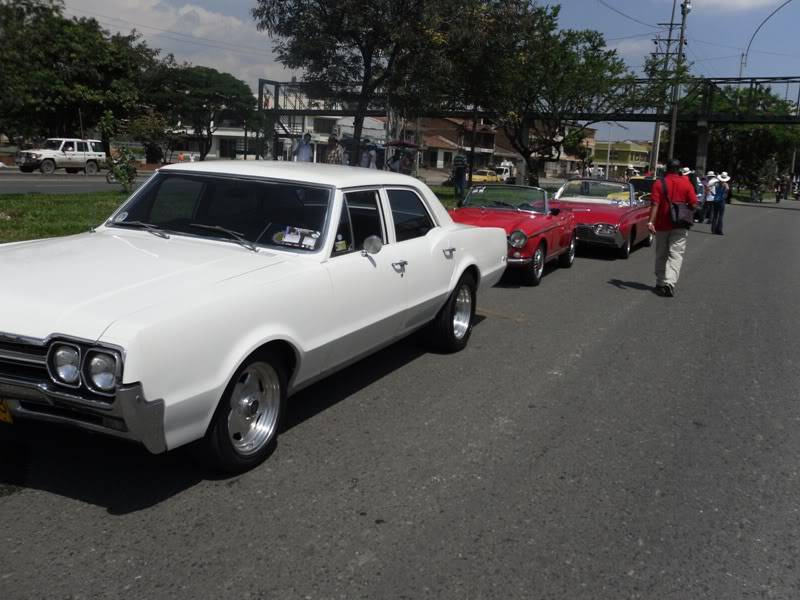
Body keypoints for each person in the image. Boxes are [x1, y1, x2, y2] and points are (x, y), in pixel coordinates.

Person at [647, 158, 698, 297]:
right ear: (679, 169)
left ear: (666, 169)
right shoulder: (686, 183)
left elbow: (655, 204)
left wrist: (651, 222)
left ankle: (660, 282)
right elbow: (694, 204)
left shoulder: (659, 183)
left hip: (662, 225)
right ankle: (670, 282)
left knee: (661, 254)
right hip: (680, 224)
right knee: (676, 254)